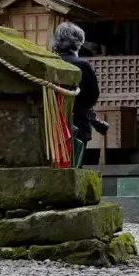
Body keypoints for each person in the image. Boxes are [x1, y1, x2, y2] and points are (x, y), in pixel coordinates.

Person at [52, 22, 102, 168]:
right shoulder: (82, 65)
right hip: (78, 121)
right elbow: (93, 95)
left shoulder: (50, 63)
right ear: (79, 42)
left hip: (52, 121)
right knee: (76, 164)